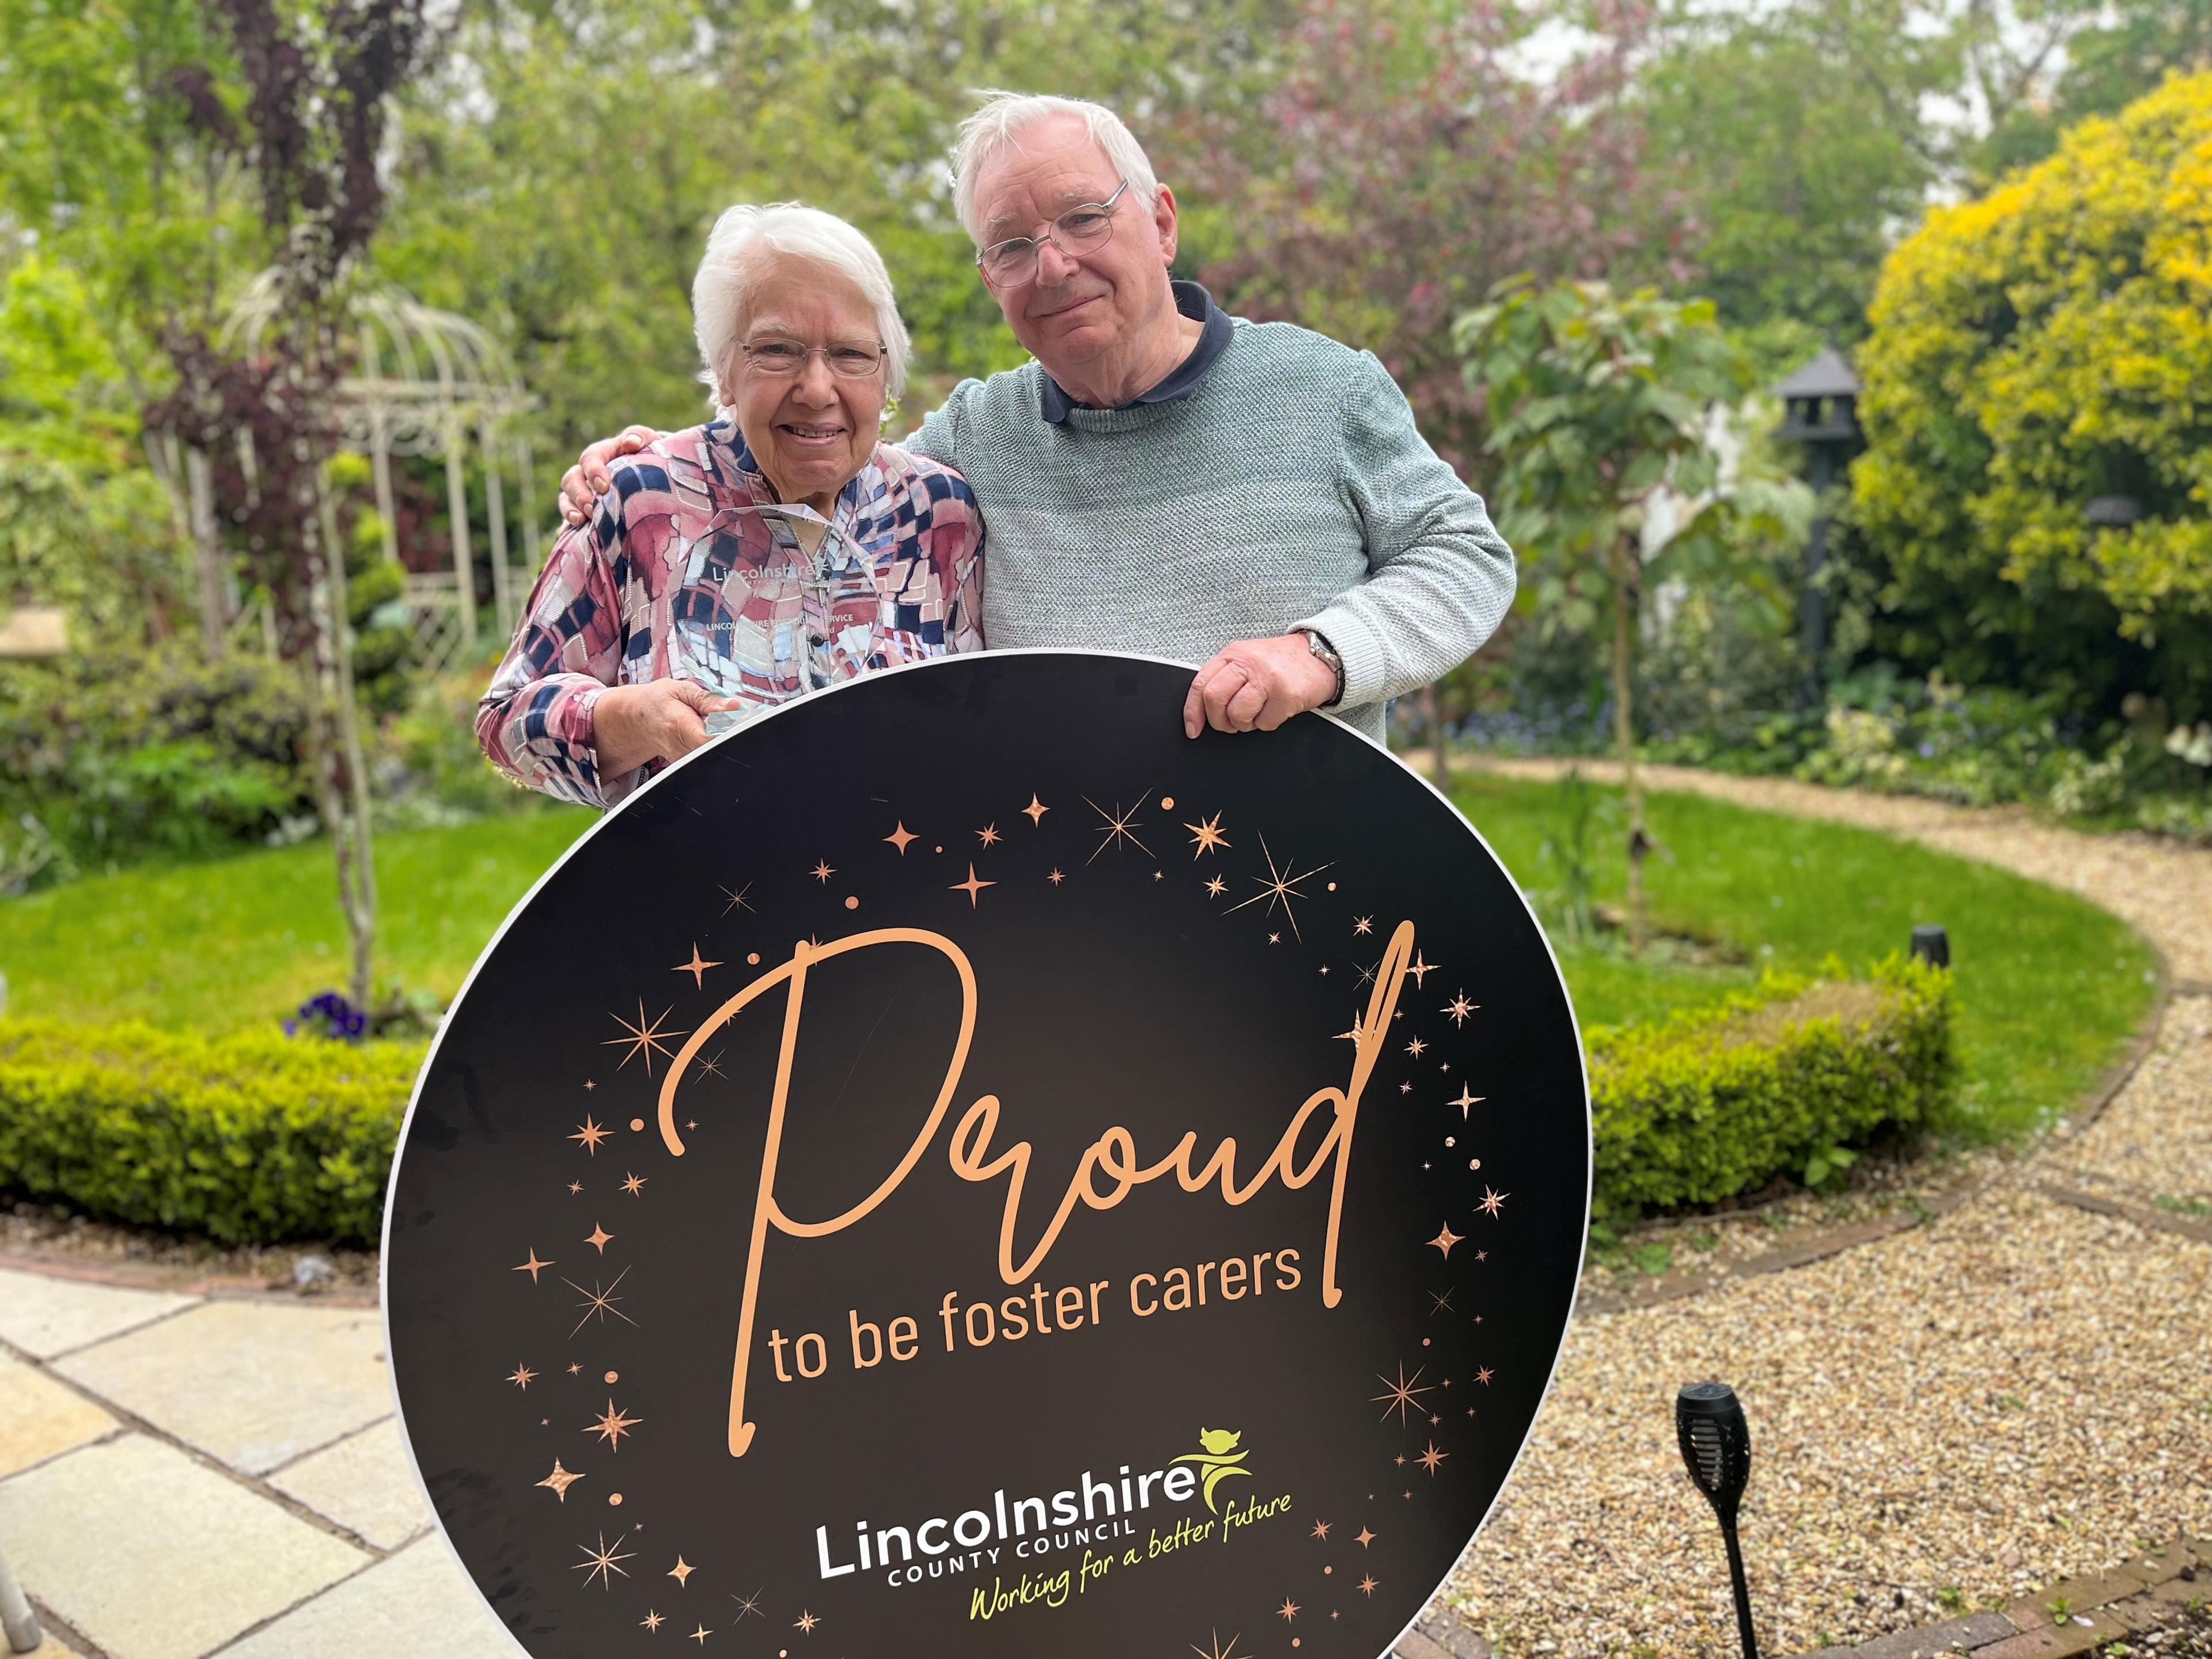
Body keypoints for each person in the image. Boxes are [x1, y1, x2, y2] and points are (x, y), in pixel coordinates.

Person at [561, 92, 1513, 746]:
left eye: (1083, 219)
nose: (1051, 264)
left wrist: (1317, 656)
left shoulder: (1324, 388)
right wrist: (667, 465)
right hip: (1043, 909)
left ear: (1164, 221)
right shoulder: (971, 442)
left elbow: (1467, 559)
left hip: (1292, 885)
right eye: (1013, 244)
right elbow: (817, 468)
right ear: (990, 280)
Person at [481, 204, 982, 807]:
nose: (818, 389)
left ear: (887, 380)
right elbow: (508, 717)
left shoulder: (937, 514)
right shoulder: (645, 502)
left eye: (850, 355)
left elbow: (979, 720)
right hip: (709, 891)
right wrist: (632, 718)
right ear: (724, 372)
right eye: (778, 350)